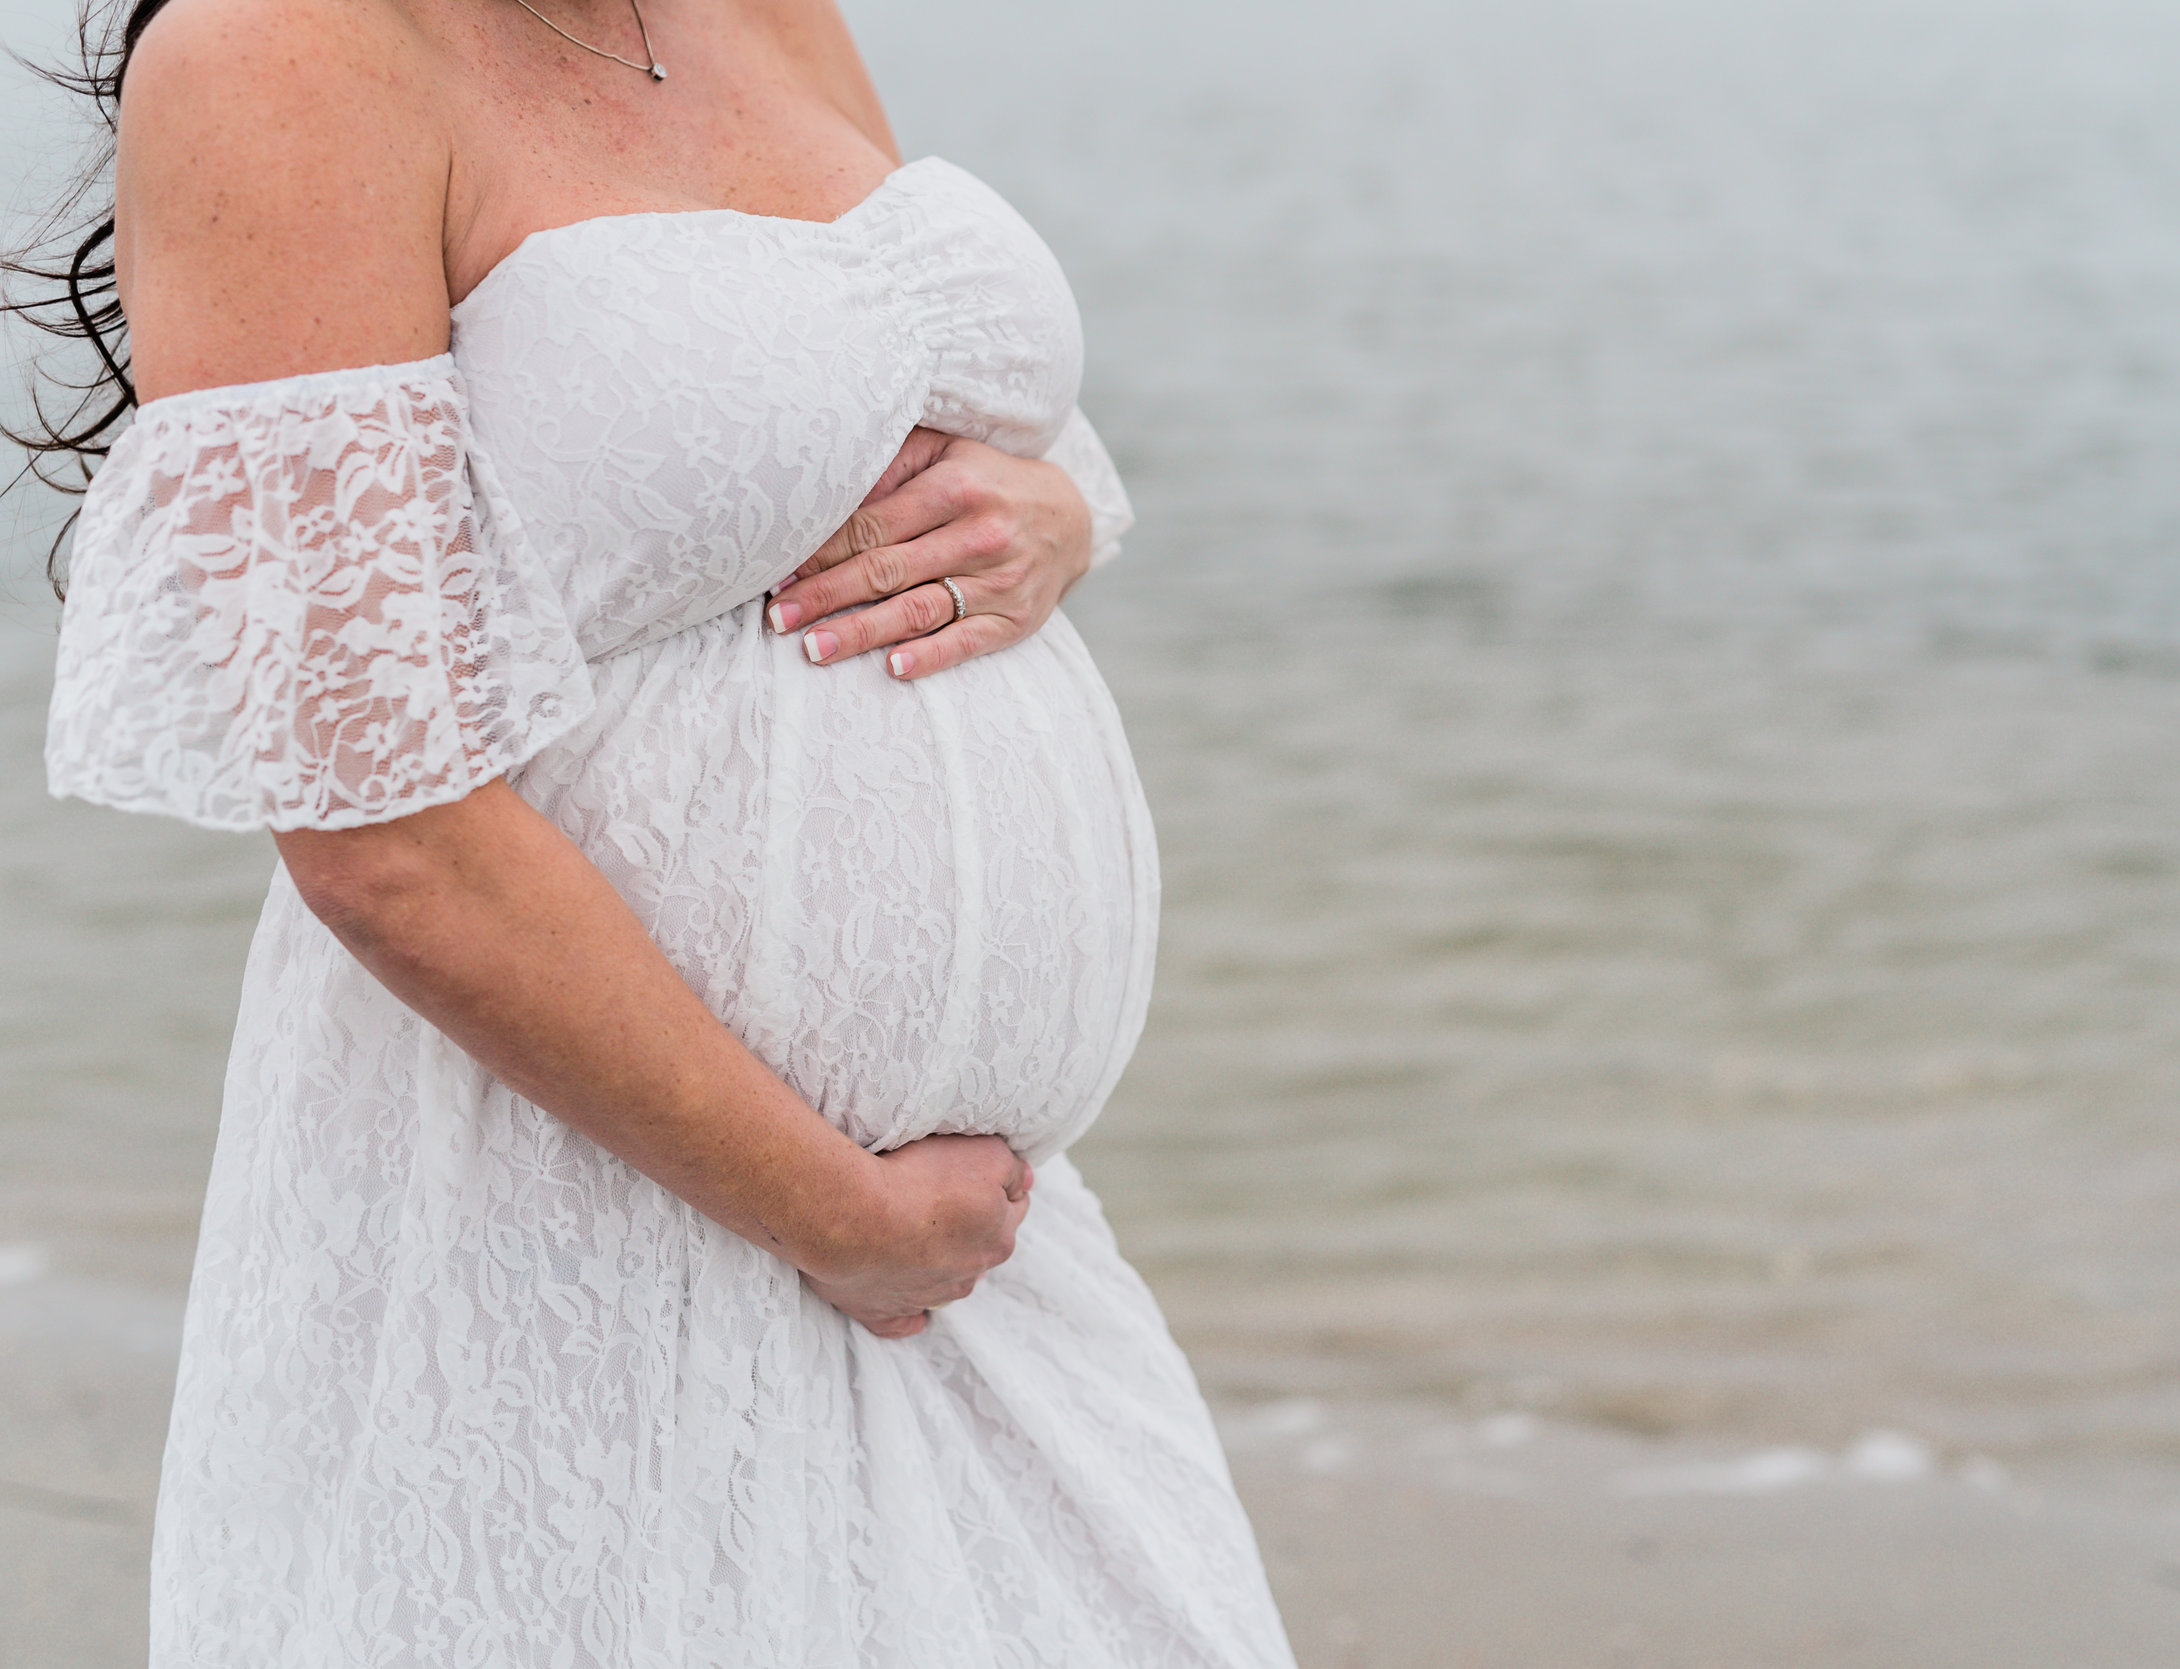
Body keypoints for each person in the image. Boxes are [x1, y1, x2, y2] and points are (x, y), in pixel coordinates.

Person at [17, 0, 1300, 1658]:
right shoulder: (284, 54)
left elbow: (907, 383)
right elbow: (371, 814)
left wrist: (1057, 509)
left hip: (975, 1253)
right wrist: (833, 1211)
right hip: (571, 1225)